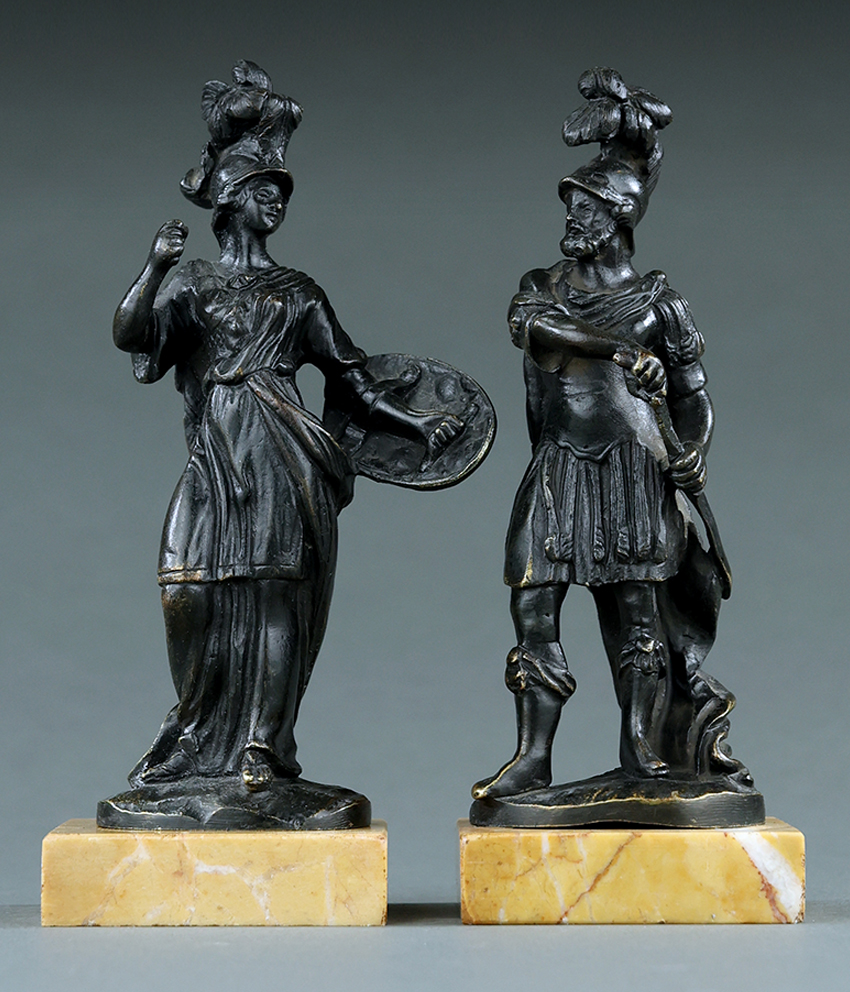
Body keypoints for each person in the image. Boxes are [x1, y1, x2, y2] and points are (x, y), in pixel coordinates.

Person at [108, 63, 463, 823]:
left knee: (274, 595)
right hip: (215, 455)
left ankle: (262, 751)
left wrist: (417, 425)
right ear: (230, 196)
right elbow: (132, 335)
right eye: (264, 188)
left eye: (282, 192)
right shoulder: (194, 283)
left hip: (280, 454)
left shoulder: (299, 292)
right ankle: (197, 735)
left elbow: (353, 378)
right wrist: (155, 265)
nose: (276, 200)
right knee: (187, 587)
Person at [474, 69, 745, 803]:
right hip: (560, 466)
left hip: (636, 469)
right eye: (572, 205)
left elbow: (694, 396)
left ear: (619, 218)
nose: (574, 218)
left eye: (587, 208)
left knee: (638, 616)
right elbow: (534, 329)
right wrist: (620, 351)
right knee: (532, 603)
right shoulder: (544, 287)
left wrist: (694, 451)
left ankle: (642, 752)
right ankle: (532, 757)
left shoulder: (661, 302)